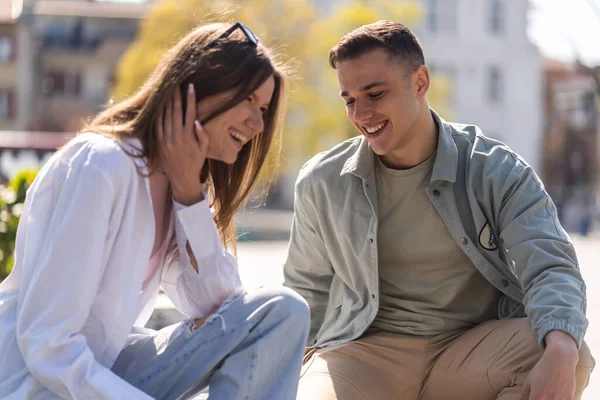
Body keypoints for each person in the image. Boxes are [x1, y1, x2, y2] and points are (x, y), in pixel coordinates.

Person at [284, 20, 594, 400]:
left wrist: (561, 346)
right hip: (364, 353)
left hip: (468, 350)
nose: (361, 114)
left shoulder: (494, 169)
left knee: (568, 353)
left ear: (420, 82)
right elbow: (306, 292)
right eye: (349, 100)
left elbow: (550, 266)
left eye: (375, 94)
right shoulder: (322, 181)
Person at [0, 22, 309, 400]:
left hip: (102, 367)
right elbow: (47, 344)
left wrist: (190, 198)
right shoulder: (101, 165)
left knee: (281, 312)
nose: (258, 124)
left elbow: (220, 308)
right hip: (34, 384)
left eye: (263, 109)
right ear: (197, 89)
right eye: (248, 101)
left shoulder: (184, 183)